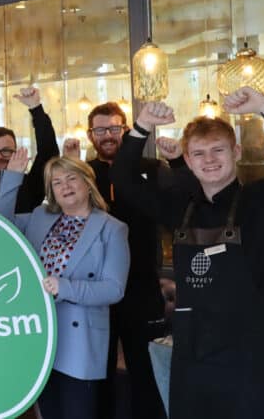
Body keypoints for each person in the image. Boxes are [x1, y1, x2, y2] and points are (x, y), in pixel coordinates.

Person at [111, 88, 264, 419]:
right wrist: (140, 125)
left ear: (236, 151)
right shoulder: (179, 208)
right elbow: (123, 179)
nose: (209, 160)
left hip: (255, 367)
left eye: (218, 150)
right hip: (192, 366)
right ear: (187, 160)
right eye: (198, 153)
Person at [64, 102, 178, 419]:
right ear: (90, 135)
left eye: (114, 128)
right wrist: (71, 168)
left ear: (126, 130)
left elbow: (181, 210)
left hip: (142, 289)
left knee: (147, 374)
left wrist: (179, 160)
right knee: (97, 375)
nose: (108, 136)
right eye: (100, 130)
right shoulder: (83, 174)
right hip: (94, 292)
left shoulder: (154, 169)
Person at [0, 150, 129, 419]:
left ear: (87, 183)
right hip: (39, 333)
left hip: (80, 339)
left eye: (71, 179)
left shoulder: (112, 228)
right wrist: (12, 177)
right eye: (57, 183)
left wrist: (64, 287)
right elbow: (1, 222)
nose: (65, 186)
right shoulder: (40, 216)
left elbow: (114, 289)